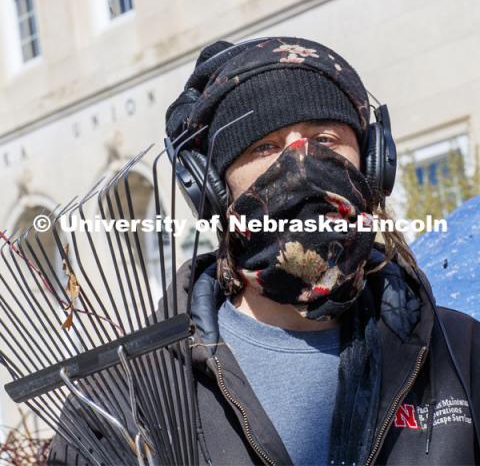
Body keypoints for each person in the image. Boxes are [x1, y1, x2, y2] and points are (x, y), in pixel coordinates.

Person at [48, 37, 480, 465]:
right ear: (213, 191)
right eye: (265, 147)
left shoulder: (461, 353)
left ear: (372, 164)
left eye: (325, 139)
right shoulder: (118, 401)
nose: (301, 164)